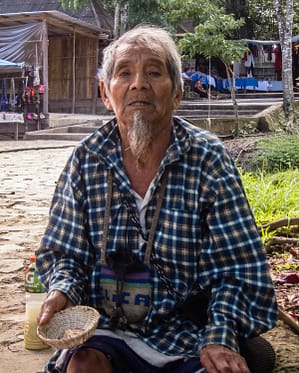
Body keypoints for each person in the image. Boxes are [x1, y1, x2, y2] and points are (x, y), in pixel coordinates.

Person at [36, 25, 278, 373]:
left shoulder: (207, 159)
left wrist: (221, 334)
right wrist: (62, 292)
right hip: (107, 329)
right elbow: (65, 254)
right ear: (106, 93)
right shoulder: (86, 159)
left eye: (154, 72)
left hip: (188, 329)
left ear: (177, 91)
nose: (138, 84)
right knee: (83, 366)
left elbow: (239, 269)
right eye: (124, 73)